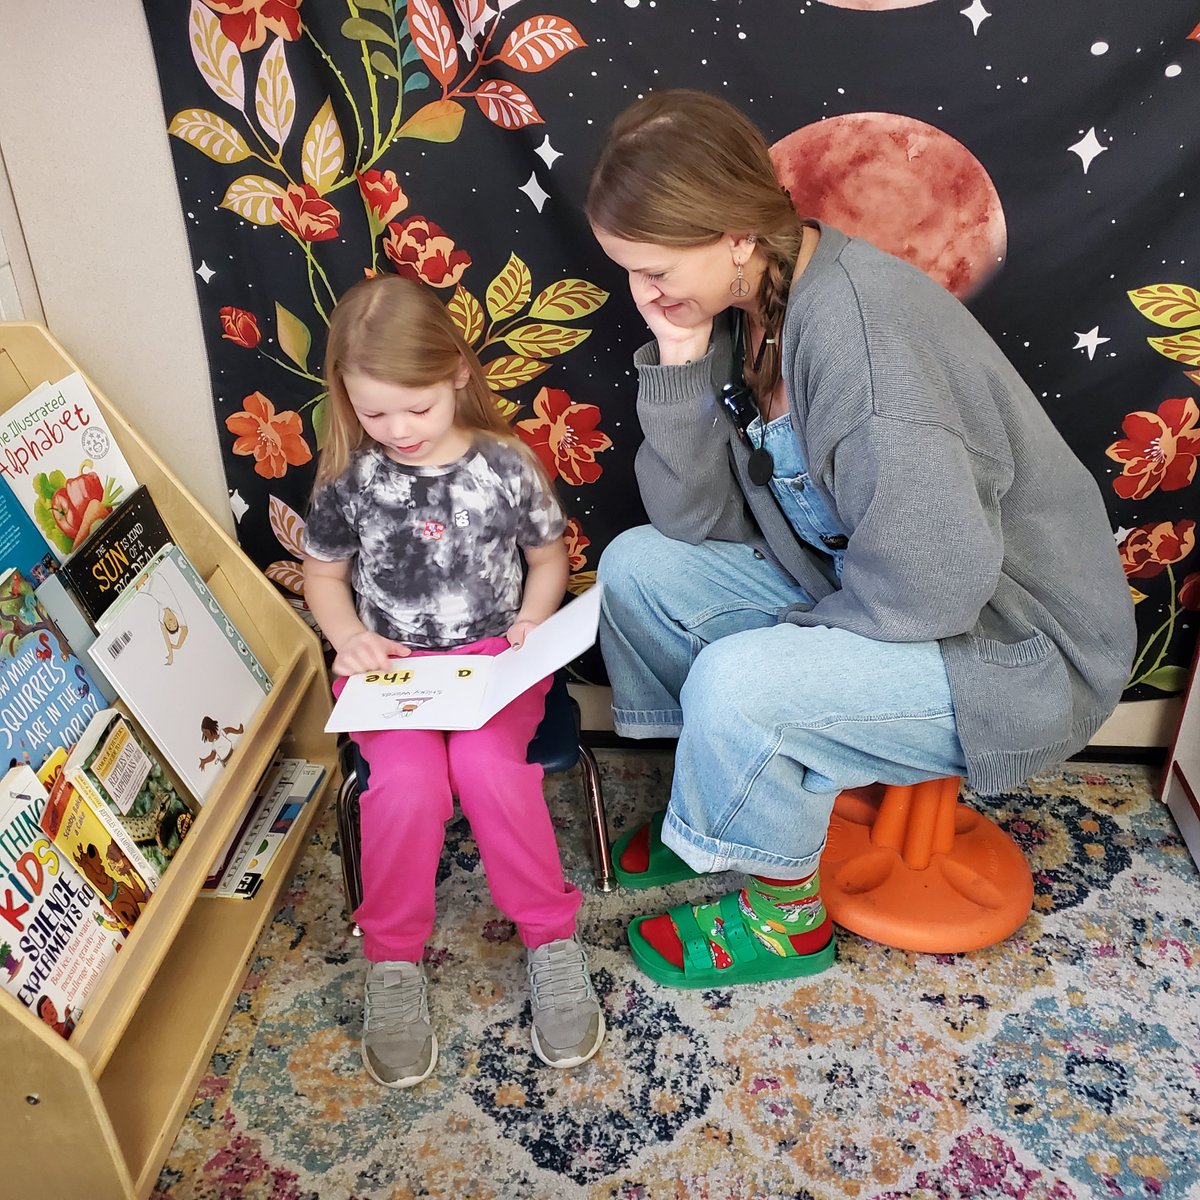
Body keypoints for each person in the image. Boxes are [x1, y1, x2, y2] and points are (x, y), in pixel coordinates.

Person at [586, 90, 1136, 989]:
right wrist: (680, 357)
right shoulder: (748, 301)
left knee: (745, 677)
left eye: (654, 270)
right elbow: (694, 524)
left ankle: (786, 920)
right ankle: (724, 810)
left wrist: (778, 655)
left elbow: (939, 583)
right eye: (630, 273)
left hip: (1007, 644)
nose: (644, 295)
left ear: (731, 232)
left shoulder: (861, 339)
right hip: (871, 589)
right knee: (637, 569)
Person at [302, 275, 604, 1087]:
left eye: (416, 408)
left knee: (483, 769)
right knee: (404, 788)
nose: (396, 429)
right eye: (374, 413)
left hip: (494, 667)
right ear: (347, 399)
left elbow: (549, 561)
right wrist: (348, 635)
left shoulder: (505, 465)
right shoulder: (352, 480)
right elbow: (323, 575)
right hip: (390, 672)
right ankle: (392, 962)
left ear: (458, 375)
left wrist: (534, 625)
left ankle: (550, 939)